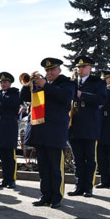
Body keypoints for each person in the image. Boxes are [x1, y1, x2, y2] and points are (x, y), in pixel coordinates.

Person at [20, 58, 75, 209]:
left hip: (56, 131)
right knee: (43, 167)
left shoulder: (67, 83)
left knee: (55, 167)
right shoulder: (41, 85)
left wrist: (45, 85)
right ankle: (45, 195)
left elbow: (65, 97)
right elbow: (23, 98)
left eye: (52, 69)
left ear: (59, 70)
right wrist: (28, 84)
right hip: (40, 131)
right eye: (47, 70)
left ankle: (56, 196)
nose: (49, 72)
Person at [68, 55, 107, 198]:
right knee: (77, 159)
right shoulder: (72, 82)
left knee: (89, 159)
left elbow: (102, 99)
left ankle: (88, 187)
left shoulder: (98, 82)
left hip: (90, 125)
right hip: (74, 126)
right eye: (78, 67)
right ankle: (79, 186)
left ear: (90, 68)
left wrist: (81, 94)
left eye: (83, 67)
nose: (80, 69)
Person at [0, 72, 21, 189]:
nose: (3, 84)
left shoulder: (15, 93)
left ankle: (11, 180)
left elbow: (8, 102)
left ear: (10, 83)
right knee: (2, 156)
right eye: (1, 82)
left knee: (10, 156)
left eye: (5, 82)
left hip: (9, 126)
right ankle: (5, 179)